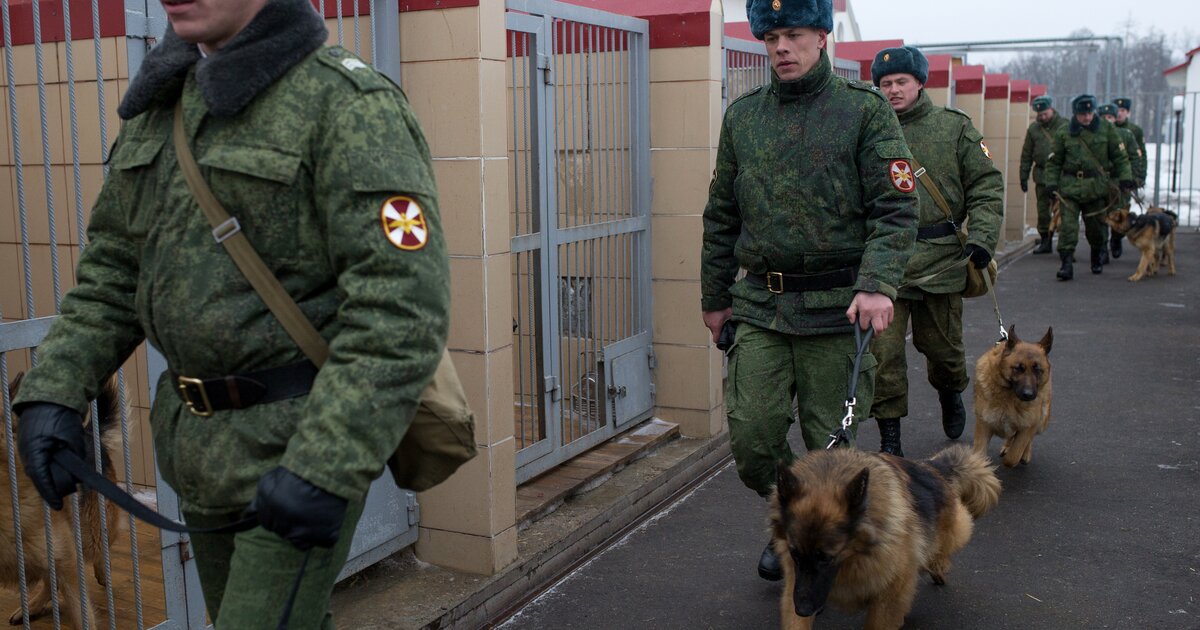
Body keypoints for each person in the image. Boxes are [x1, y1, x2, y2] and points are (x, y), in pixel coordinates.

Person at [12, 0, 450, 627]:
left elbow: (401, 310)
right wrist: (54, 390)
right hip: (196, 449)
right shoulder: (160, 110)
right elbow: (113, 272)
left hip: (297, 444)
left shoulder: (348, 103)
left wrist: (326, 466)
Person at [700, 0, 918, 582]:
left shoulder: (864, 111)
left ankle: (802, 537)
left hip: (835, 310)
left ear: (822, 36)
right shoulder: (743, 117)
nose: (781, 48)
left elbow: (897, 209)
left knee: (831, 451)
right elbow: (721, 214)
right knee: (751, 438)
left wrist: (876, 286)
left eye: (793, 34)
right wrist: (715, 297)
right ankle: (796, 512)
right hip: (762, 307)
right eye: (771, 37)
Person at [868, 46, 1003, 457]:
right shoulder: (868, 128)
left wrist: (981, 238)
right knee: (884, 354)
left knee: (944, 350)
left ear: (921, 83)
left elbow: (987, 186)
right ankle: (890, 436)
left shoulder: (954, 128)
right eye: (885, 83)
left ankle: (950, 392)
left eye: (901, 82)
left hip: (942, 260)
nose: (892, 90)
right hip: (886, 263)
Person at [1043, 94, 1133, 280]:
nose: (1087, 117)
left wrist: (1126, 178)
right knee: (1067, 227)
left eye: (1090, 112)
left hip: (1096, 188)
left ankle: (1096, 256)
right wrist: (1050, 183)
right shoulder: (1063, 132)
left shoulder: (1107, 129)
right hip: (1070, 188)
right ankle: (1066, 263)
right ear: (1075, 113)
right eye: (1083, 113)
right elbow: (1054, 162)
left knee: (1096, 229)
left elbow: (1120, 157)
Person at [1019, 95, 1069, 254]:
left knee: (1063, 211)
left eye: (1045, 114)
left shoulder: (1065, 126)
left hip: (1062, 176)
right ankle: (1045, 241)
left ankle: (1066, 245)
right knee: (1042, 210)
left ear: (1051, 109)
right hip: (1041, 175)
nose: (1042, 117)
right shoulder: (1034, 129)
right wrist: (1023, 176)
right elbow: (1026, 154)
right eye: (1039, 115)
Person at [1110, 96, 1148, 259]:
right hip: (1107, 178)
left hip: (1125, 179)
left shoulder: (1134, 130)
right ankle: (1102, 249)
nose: (1119, 114)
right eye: (1116, 111)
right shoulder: (1104, 129)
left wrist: (1139, 176)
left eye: (1123, 111)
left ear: (1128, 112)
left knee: (1122, 210)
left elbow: (1140, 155)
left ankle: (1117, 239)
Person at [1100, 103, 1147, 212]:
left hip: (1120, 182)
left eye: (1110, 117)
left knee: (1120, 218)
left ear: (1114, 119)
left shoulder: (1126, 135)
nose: (1107, 120)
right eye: (1103, 117)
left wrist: (1134, 178)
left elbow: (1136, 158)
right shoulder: (1092, 137)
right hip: (1099, 183)